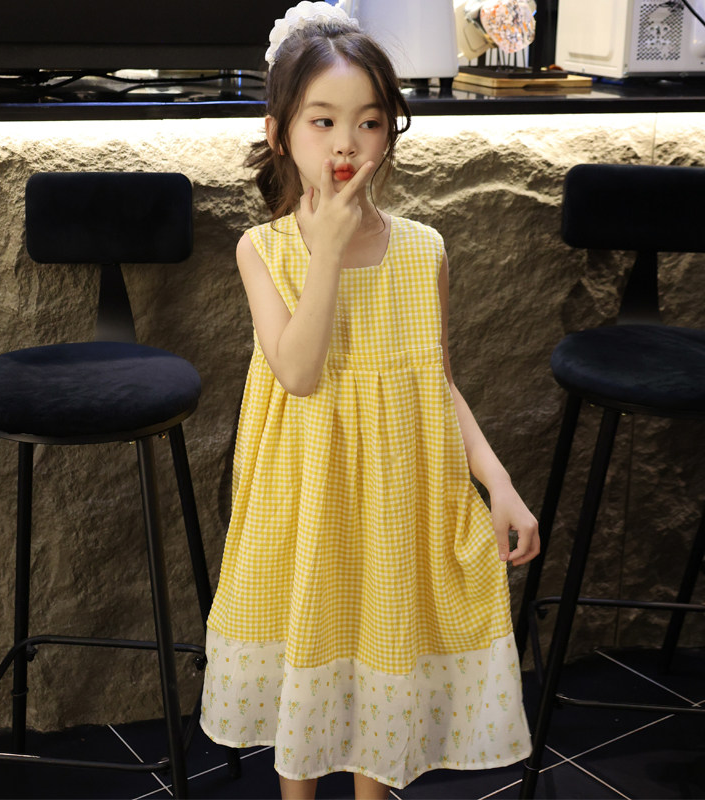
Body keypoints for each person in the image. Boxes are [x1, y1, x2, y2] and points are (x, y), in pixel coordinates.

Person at [200, 3, 540, 798]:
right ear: (280, 133)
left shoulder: (424, 251)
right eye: (322, 121)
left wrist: (498, 482)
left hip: (396, 501)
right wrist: (324, 250)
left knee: (381, 668)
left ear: (391, 132)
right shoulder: (263, 250)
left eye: (370, 121)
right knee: (306, 671)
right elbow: (299, 372)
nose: (346, 144)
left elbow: (437, 381)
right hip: (305, 503)